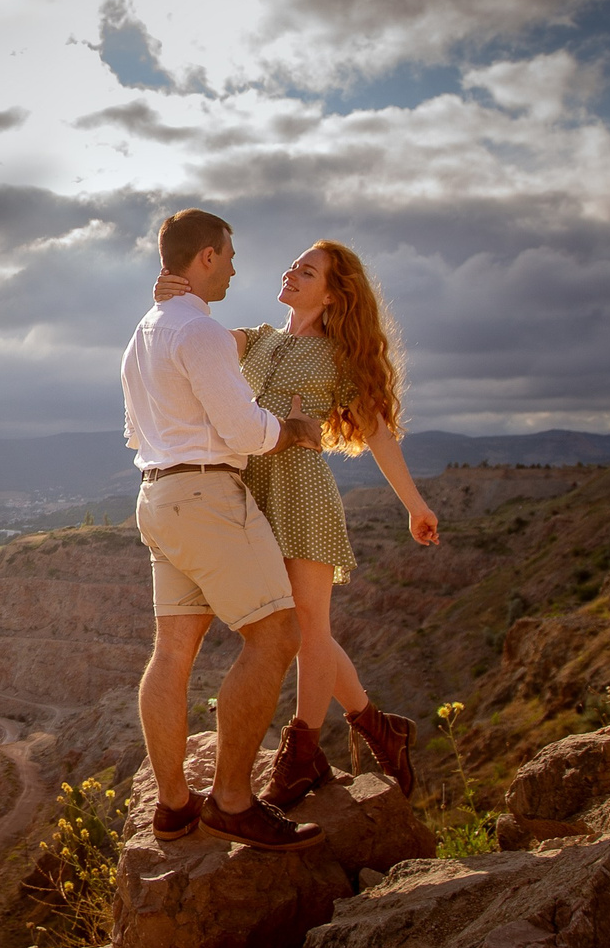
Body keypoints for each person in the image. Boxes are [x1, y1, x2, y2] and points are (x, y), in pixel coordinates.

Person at [155, 240, 438, 807]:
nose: (291, 273)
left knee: (309, 627)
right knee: (286, 629)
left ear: (333, 293)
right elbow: (195, 335)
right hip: (246, 493)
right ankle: (378, 727)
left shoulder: (340, 357)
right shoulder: (258, 339)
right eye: (292, 265)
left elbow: (378, 432)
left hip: (303, 494)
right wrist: (167, 295)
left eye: (306, 271)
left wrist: (414, 505)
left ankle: (303, 754)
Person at [120, 208, 328, 851]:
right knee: (276, 636)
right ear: (205, 256)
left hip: (156, 494)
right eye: (229, 256)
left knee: (172, 651)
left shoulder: (144, 331)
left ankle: (174, 806)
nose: (236, 268)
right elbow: (242, 430)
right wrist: (290, 431)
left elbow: (134, 430)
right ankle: (234, 801)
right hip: (208, 495)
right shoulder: (201, 333)